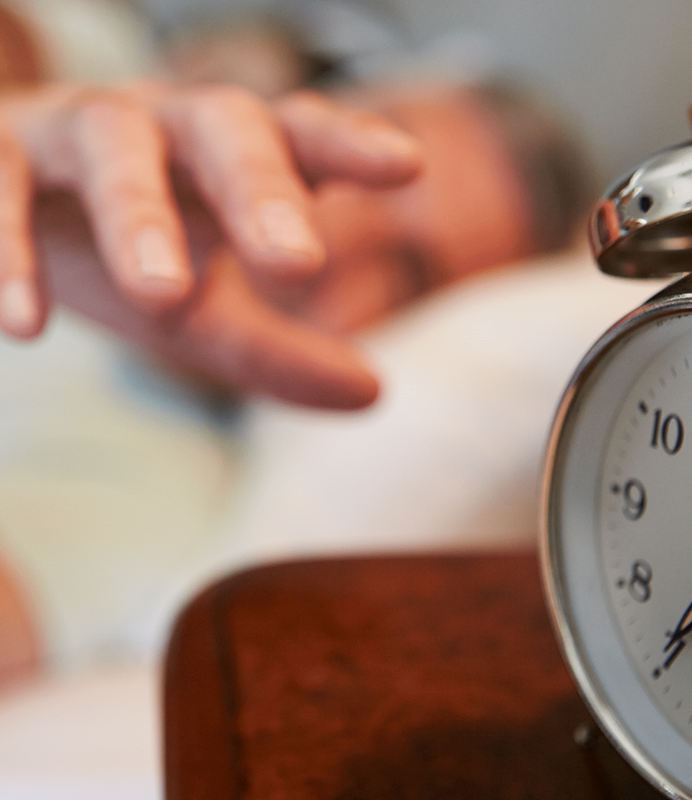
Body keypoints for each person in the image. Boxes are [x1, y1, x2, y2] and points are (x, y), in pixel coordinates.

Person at [0, 3, 591, 686]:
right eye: (369, 166)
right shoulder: (87, 74)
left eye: (407, 270)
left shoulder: (150, 494)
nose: (336, 238)